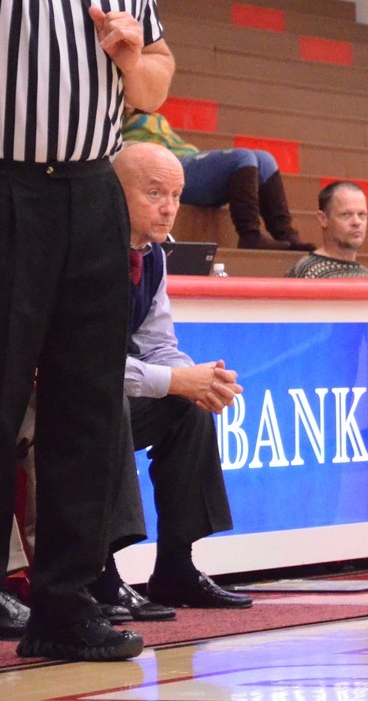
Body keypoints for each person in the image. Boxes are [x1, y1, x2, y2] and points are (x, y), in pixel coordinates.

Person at [0, 0, 176, 664]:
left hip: (92, 191)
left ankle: (68, 602)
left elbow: (160, 85)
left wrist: (134, 56)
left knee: (90, 407)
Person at [95, 144, 252, 614]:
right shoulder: (84, 253)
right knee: (109, 408)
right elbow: (85, 364)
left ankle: (176, 568)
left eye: (177, 195)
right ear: (113, 193)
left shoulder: (155, 256)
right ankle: (100, 575)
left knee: (190, 407)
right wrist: (172, 380)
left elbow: (157, 341)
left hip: (107, 391)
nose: (168, 208)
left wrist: (196, 379)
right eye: (154, 193)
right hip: (59, 399)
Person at [120, 108, 313, 251]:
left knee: (265, 159)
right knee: (242, 157)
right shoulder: (121, 114)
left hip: (184, 161)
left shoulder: (152, 114)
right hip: (165, 164)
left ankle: (287, 235)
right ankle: (250, 236)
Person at [287, 181, 368, 278]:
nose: (357, 222)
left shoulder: (367, 276)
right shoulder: (307, 272)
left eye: (361, 214)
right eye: (346, 215)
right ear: (323, 219)